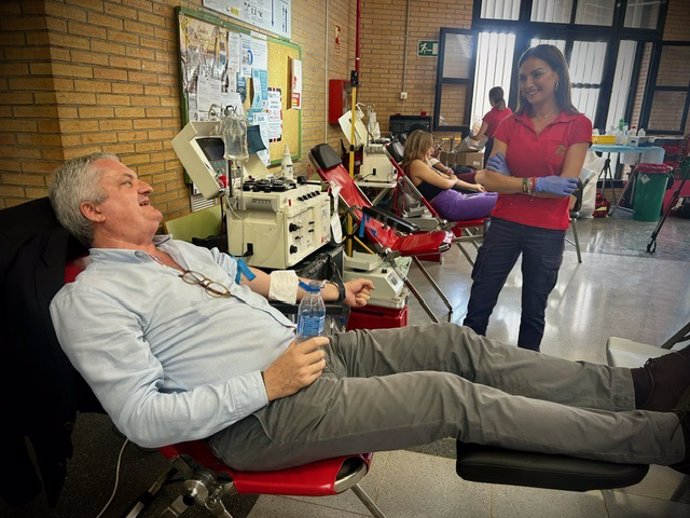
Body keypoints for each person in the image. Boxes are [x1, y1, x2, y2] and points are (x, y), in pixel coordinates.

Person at [47, 153, 690, 476]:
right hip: (262, 414)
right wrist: (265, 384)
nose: (146, 184)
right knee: (450, 397)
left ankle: (635, 387)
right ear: (94, 211)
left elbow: (256, 278)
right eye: (128, 181)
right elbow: (138, 418)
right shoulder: (89, 300)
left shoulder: (178, 251)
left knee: (453, 343)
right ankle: (666, 439)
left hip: (312, 354)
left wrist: (328, 296)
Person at [464, 44, 591, 351]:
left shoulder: (577, 125)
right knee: (479, 301)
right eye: (522, 78)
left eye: (537, 74)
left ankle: (524, 377)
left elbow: (565, 183)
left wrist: (511, 180)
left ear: (557, 75)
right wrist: (534, 184)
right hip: (506, 223)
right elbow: (488, 180)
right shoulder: (510, 123)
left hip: (547, 230)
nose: (528, 84)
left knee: (534, 310)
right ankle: (461, 365)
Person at [402, 130, 497, 221]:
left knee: (497, 195)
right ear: (421, 147)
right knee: (499, 200)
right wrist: (453, 180)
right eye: (430, 147)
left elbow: (449, 179)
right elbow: (446, 184)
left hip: (456, 199)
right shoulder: (416, 164)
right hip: (453, 205)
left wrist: (474, 186)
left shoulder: (421, 164)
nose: (432, 150)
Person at [470, 86, 513, 167]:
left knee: (489, 172)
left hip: (492, 147)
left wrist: (471, 136)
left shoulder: (489, 115)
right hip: (506, 147)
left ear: (491, 99)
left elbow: (478, 137)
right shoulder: (509, 112)